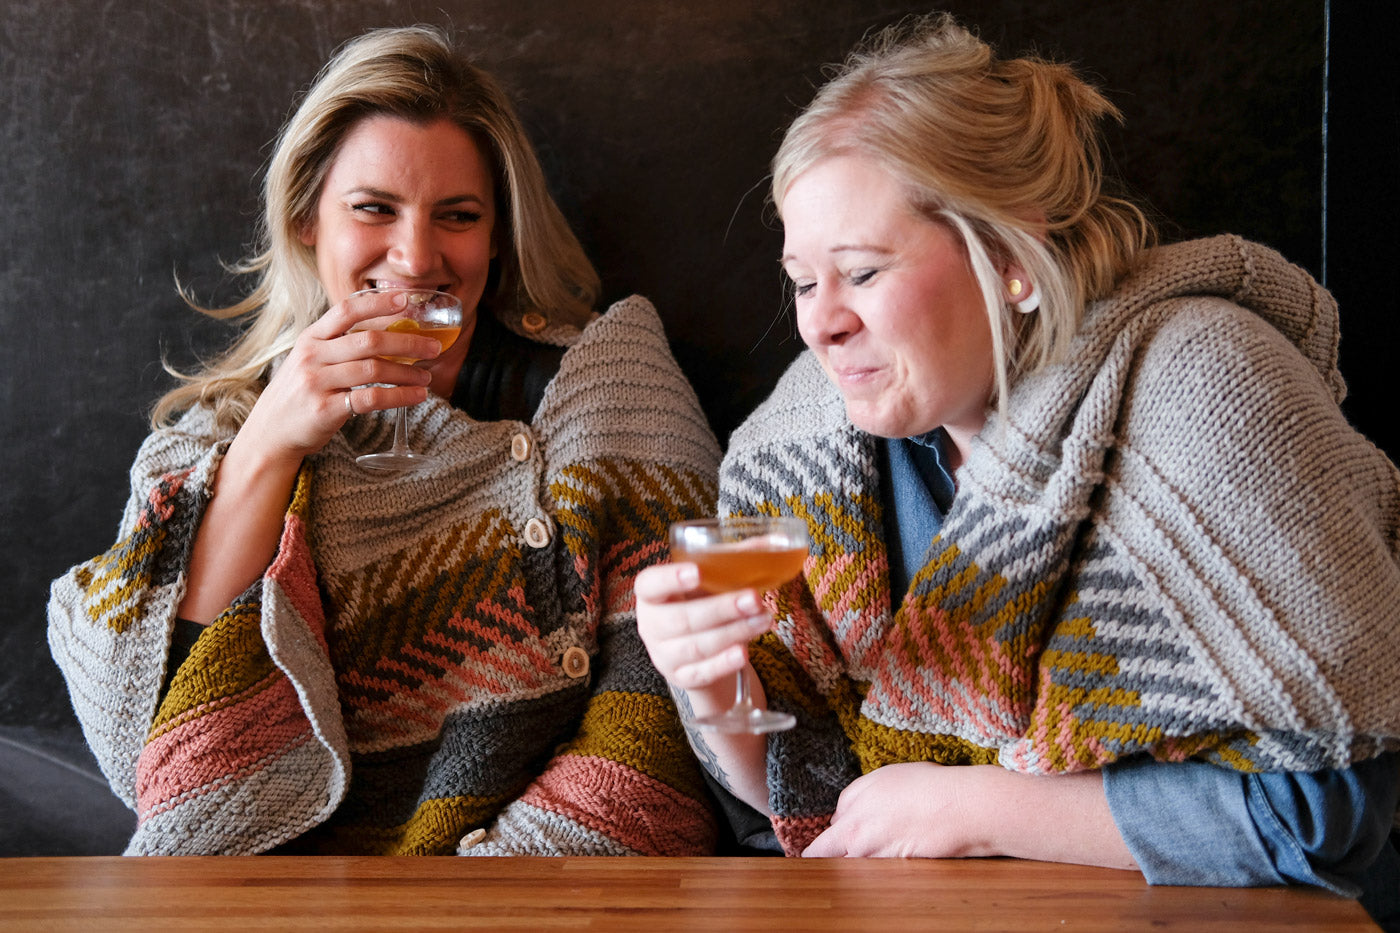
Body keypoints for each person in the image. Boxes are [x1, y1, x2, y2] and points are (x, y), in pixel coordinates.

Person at [635, 11, 1400, 920]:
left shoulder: (1214, 395)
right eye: (804, 280)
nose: (818, 323)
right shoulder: (797, 450)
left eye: (864, 272)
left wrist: (979, 808)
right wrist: (715, 688)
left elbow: (1330, 814)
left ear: (1008, 259)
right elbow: (814, 811)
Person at [48, 25, 721, 857]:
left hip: (546, 890)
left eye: (459, 216)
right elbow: (143, 735)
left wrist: (478, 893)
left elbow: (664, 718)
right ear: (306, 219)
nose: (416, 255)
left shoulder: (609, 389)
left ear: (498, 234)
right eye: (373, 209)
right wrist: (270, 445)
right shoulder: (216, 440)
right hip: (280, 896)